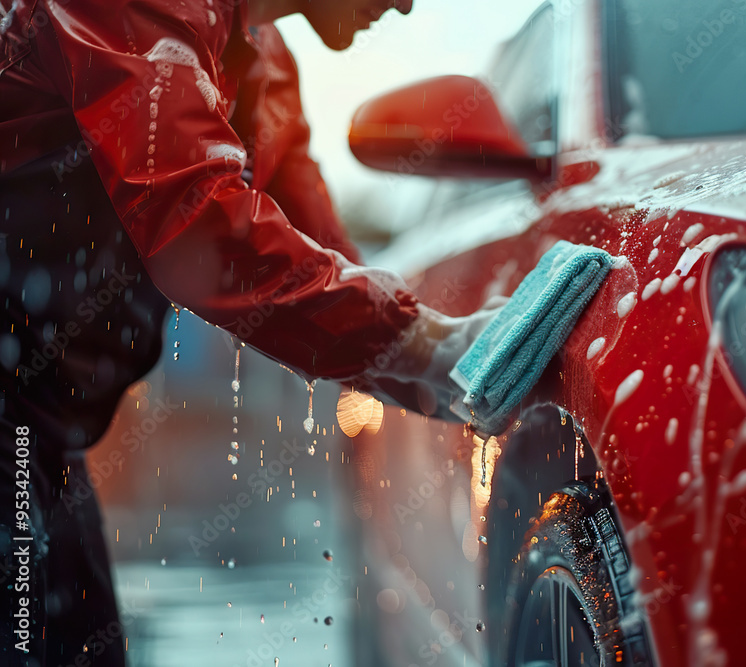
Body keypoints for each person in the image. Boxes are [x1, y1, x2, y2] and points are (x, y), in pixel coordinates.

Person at [0, 0, 492, 664]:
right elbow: (197, 223)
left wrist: (426, 370)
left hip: (38, 426)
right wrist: (424, 341)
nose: (408, 4)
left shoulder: (261, 62)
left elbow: (319, 252)